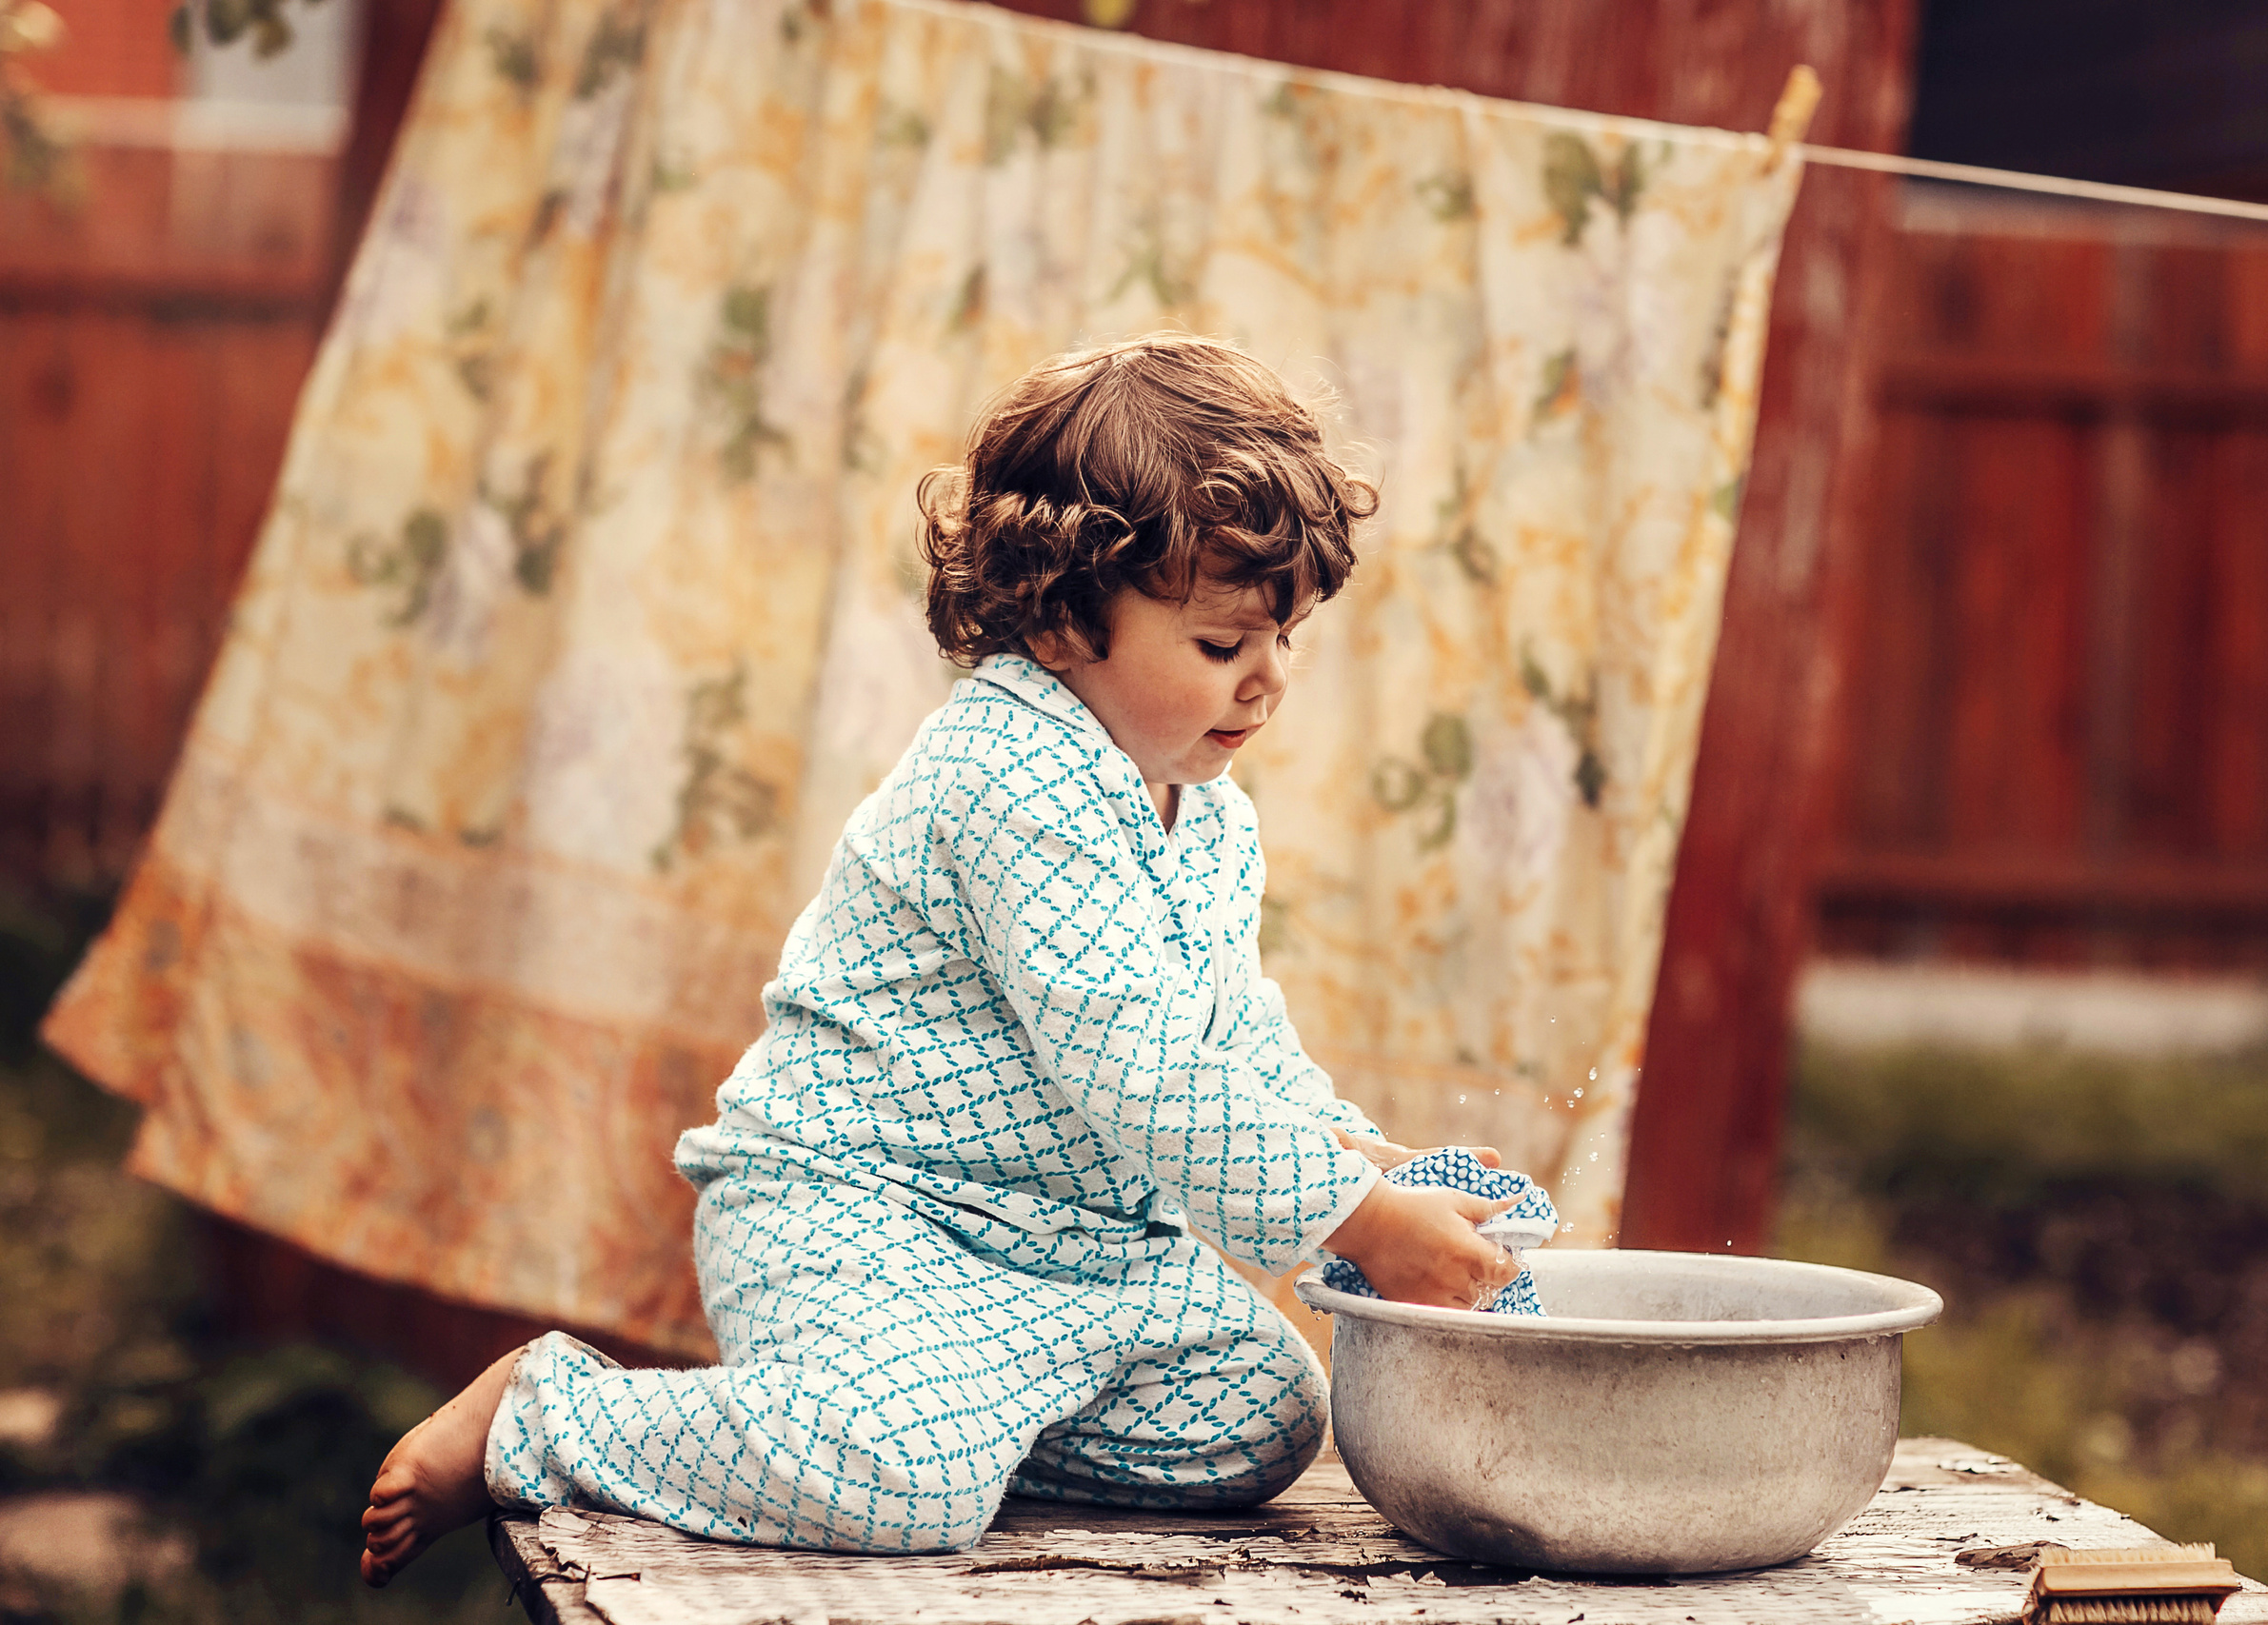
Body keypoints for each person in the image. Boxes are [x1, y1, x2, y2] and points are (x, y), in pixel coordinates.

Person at [359, 334, 1522, 1585]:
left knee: (1267, 1414)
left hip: (1068, 1247)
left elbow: (1228, 1035)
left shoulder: (1203, 804)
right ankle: (548, 1413)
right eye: (1223, 645)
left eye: (1286, 639)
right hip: (872, 1210)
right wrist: (1351, 1219)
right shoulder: (1013, 778)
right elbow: (1144, 1077)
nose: (1270, 679)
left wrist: (1355, 1152)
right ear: (1069, 620)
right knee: (897, 1476)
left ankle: (942, 1416)